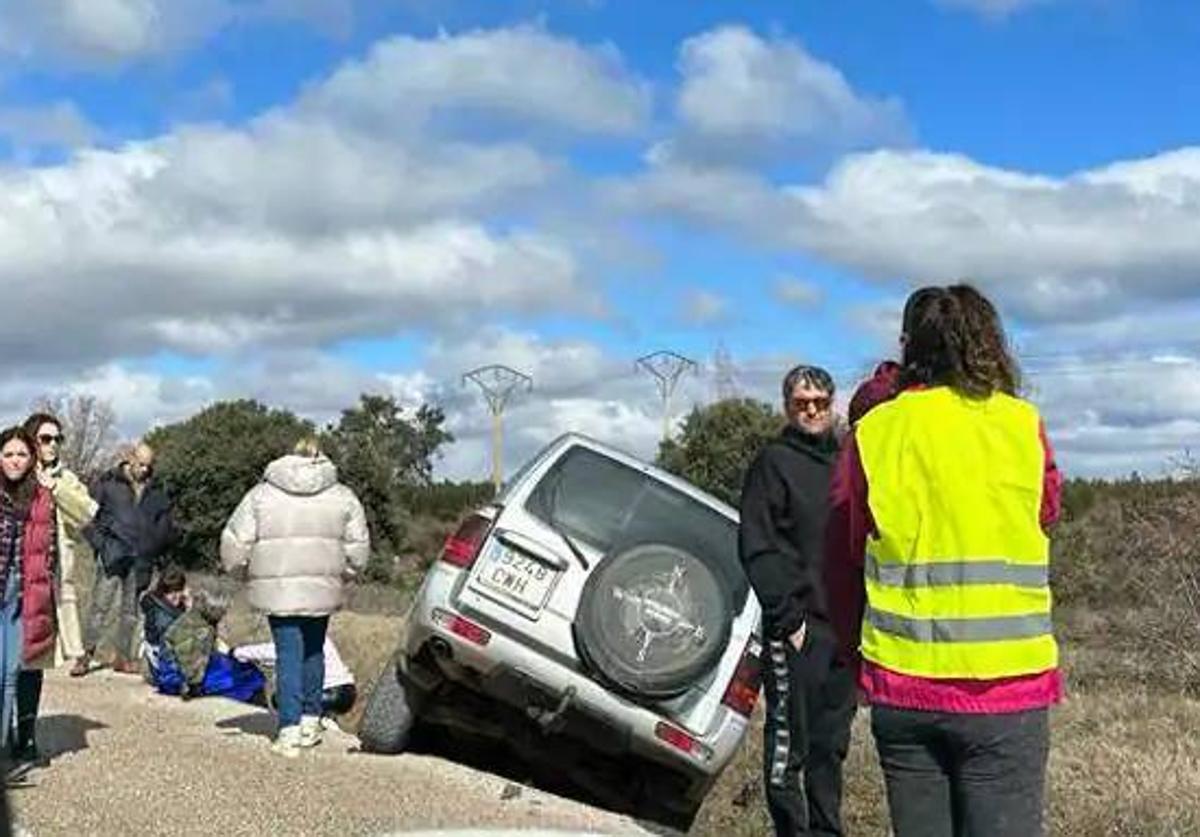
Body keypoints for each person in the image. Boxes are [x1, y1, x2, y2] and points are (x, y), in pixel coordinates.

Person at [825, 284, 1063, 837]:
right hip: (1007, 690)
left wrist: (850, 655)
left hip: (904, 688)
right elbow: (1046, 510)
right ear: (988, 343)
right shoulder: (1022, 425)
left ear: (909, 347)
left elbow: (843, 555)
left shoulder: (876, 432)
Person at [738, 364, 857, 837]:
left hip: (843, 632)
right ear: (787, 407)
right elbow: (756, 543)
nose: (811, 410)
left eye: (820, 403)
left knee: (831, 748)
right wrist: (787, 619)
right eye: (801, 403)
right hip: (798, 629)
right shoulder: (772, 462)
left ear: (833, 405)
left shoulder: (846, 463)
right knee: (790, 750)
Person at [220, 437, 368, 757]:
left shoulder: (261, 495)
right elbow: (358, 549)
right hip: (323, 584)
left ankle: (288, 729)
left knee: (288, 652)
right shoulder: (343, 496)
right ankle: (310, 721)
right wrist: (344, 575)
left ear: (289, 455)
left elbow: (235, 541)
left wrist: (242, 573)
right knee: (313, 651)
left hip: (278, 586)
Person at [74, 442, 176, 676]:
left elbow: (165, 527)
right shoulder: (108, 483)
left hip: (140, 559)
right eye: (141, 464)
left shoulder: (158, 491)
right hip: (112, 553)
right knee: (99, 606)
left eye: (149, 466)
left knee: (130, 611)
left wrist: (155, 551)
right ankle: (85, 656)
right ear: (130, 459)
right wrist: (100, 545)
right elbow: (87, 516)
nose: (144, 470)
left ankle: (123, 657)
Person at [0, 428, 59, 778]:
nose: (14, 461)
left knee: (11, 674)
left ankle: (5, 751)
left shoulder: (42, 496)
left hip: (23, 594)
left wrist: (55, 485)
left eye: (21, 454)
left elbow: (86, 514)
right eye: (8, 454)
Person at [231, 635, 357, 718]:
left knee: (279, 699)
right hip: (347, 693)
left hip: (329, 694)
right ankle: (325, 718)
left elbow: (273, 652)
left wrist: (238, 652)